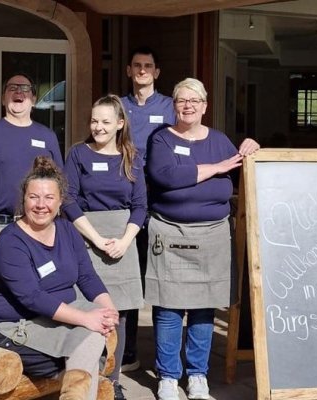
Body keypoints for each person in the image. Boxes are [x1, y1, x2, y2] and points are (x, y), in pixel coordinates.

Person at [144, 78, 259, 400]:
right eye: (182, 100)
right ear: (174, 105)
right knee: (167, 308)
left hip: (213, 235)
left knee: (203, 309)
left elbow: (241, 173)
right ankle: (168, 377)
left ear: (205, 106)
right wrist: (216, 168)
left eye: (195, 100)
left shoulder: (220, 140)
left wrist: (250, 148)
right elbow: (166, 176)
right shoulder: (162, 139)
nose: (188, 105)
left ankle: (197, 377)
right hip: (168, 232)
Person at [0, 156, 120, 400]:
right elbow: (31, 297)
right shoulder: (10, 242)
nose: (40, 205)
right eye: (33, 197)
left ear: (60, 202)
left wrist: (109, 310)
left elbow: (87, 276)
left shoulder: (67, 230)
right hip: (15, 327)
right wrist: (85, 319)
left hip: (57, 317)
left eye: (49, 198)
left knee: (97, 329)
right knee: (89, 336)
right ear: (23, 199)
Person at [62, 94, 146, 399]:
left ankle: (113, 380)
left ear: (120, 124)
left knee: (118, 316)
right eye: (94, 120)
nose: (98, 127)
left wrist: (124, 241)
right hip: (86, 238)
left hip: (122, 241)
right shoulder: (78, 154)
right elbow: (68, 199)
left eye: (105, 122)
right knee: (86, 311)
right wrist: (96, 239)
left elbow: (140, 206)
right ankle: (87, 377)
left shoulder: (132, 157)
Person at [120, 46, 176, 373]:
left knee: (159, 281)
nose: (142, 70)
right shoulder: (119, 106)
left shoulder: (170, 107)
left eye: (148, 66)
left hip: (160, 205)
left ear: (156, 72)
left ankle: (166, 361)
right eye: (137, 65)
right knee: (128, 279)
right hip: (125, 205)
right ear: (129, 70)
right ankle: (127, 352)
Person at [0, 73, 64, 225]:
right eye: (12, 88)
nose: (19, 92)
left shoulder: (47, 136)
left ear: (34, 99)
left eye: (25, 88)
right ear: (2, 98)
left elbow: (59, 183)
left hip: (38, 225)